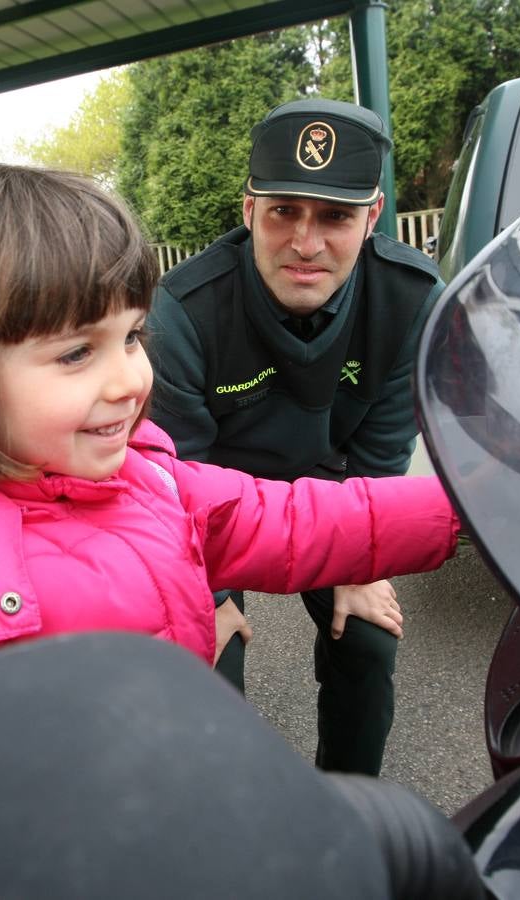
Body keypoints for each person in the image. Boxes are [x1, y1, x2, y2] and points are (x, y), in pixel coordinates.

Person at [0, 163, 460, 726]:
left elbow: (285, 519)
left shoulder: (135, 477)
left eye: (131, 336)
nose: (131, 380)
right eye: (77, 353)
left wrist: (475, 506)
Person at [145, 100, 445, 776]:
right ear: (249, 209)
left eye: (335, 216)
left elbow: (382, 451)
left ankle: (347, 806)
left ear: (371, 219)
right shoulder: (182, 311)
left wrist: (360, 565)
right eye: (284, 211)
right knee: (206, 659)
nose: (306, 243)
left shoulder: (411, 298)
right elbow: (174, 474)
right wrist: (213, 600)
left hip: (329, 495)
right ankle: (233, 832)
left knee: (369, 641)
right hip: (214, 509)